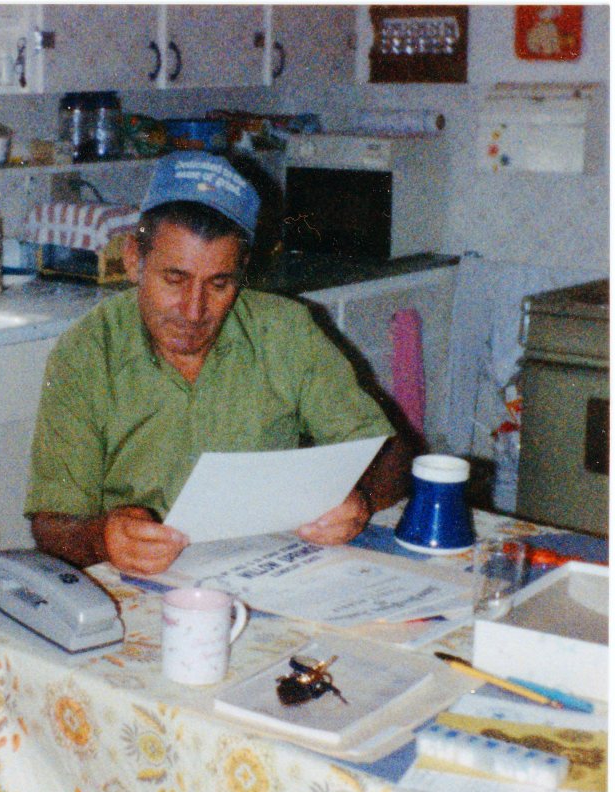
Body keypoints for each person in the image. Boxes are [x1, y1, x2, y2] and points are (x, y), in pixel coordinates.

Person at [24, 150, 412, 577]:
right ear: (133, 259)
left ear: (242, 273)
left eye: (219, 284)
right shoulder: (86, 352)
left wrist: (361, 501)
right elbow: (51, 526)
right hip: (141, 578)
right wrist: (103, 538)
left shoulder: (284, 331)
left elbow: (390, 454)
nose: (194, 311)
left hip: (270, 566)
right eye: (174, 279)